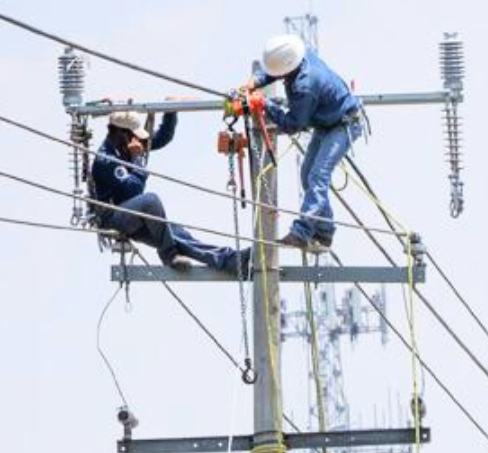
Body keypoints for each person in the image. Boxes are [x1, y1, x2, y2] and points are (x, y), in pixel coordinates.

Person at [91, 107, 250, 275]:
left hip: (130, 213)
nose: (139, 141)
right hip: (112, 218)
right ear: (122, 134)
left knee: (177, 233)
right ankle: (168, 254)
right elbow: (134, 190)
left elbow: (160, 138)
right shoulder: (107, 159)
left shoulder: (124, 146)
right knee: (151, 201)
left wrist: (170, 112)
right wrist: (137, 158)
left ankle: (231, 260)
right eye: (135, 136)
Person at [244, 34, 364, 250]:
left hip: (343, 125)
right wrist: (256, 82)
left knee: (318, 175)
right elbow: (275, 71)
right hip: (327, 123)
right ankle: (324, 232)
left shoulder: (305, 86)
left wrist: (265, 105)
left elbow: (293, 124)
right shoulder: (300, 54)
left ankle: (302, 232)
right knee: (307, 173)